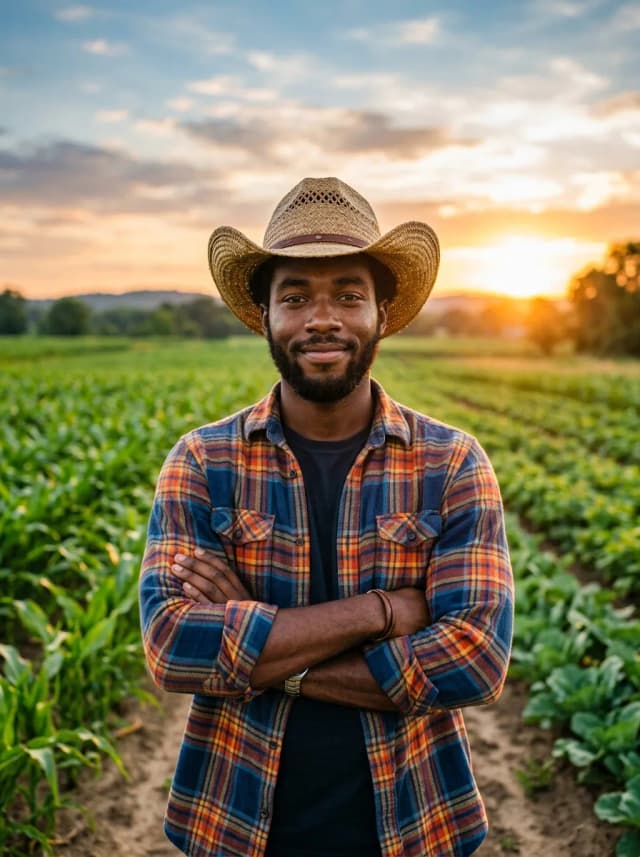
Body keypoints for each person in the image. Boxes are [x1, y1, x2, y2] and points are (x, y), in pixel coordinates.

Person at [139, 176, 514, 857]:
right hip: (235, 820)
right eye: (295, 296)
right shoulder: (201, 460)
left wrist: (259, 645)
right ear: (263, 315)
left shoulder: (451, 462)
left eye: (347, 293)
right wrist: (381, 611)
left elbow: (475, 659)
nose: (321, 318)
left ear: (382, 310)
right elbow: (172, 645)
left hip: (412, 821)